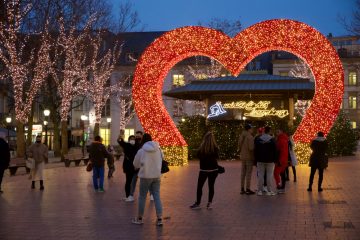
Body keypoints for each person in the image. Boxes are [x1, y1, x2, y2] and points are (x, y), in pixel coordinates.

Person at [132, 133, 163, 226]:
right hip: (157, 176)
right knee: (157, 196)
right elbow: (162, 159)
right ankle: (160, 218)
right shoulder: (158, 149)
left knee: (142, 197)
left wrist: (139, 166)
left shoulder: (141, 151)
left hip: (145, 176)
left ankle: (140, 218)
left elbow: (135, 164)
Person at [190, 132, 220, 210]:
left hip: (203, 170)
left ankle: (198, 203)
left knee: (199, 187)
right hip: (214, 170)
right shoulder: (215, 148)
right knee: (211, 187)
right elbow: (217, 157)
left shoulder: (201, 148)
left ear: (205, 139)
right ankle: (209, 203)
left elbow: (198, 156)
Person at [254, 126, 277, 196]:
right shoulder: (272, 140)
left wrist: (256, 159)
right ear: (269, 131)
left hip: (260, 160)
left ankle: (260, 191)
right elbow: (275, 150)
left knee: (260, 175)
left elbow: (255, 150)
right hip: (270, 160)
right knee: (269, 175)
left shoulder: (258, 139)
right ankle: (269, 191)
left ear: (264, 131)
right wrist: (275, 159)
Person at [118, 133, 138, 201]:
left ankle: (131, 195)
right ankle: (128, 195)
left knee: (133, 182)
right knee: (128, 181)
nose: (132, 140)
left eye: (133, 139)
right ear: (129, 140)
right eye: (131, 139)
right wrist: (120, 137)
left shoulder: (137, 146)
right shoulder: (126, 145)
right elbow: (119, 141)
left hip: (135, 167)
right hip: (128, 167)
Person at [238, 124, 255, 195]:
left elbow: (239, 145)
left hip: (243, 156)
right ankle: (248, 189)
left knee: (243, 173)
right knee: (248, 173)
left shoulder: (241, 136)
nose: (252, 130)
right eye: (251, 128)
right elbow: (251, 148)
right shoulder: (250, 137)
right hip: (249, 157)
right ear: (249, 129)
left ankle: (242, 189)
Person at [274, 129, 289, 194]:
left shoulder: (281, 140)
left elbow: (282, 151)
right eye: (276, 131)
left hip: (281, 160)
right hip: (284, 160)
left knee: (276, 173)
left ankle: (279, 186)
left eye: (278, 132)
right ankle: (282, 187)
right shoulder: (284, 139)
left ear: (281, 132)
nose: (277, 133)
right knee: (282, 173)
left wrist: (280, 160)